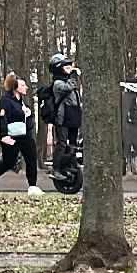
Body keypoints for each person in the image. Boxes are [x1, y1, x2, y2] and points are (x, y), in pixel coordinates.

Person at [0, 73, 42, 194]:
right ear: (15, 87)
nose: (26, 87)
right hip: (11, 136)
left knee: (31, 159)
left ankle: (32, 186)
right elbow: (3, 118)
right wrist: (4, 135)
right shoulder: (5, 101)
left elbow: (28, 119)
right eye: (23, 85)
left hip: (25, 136)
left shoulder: (23, 103)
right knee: (9, 162)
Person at [43, 53, 83, 188]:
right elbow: (68, 88)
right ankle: (56, 169)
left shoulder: (69, 81)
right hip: (62, 119)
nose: (70, 68)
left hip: (73, 117)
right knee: (61, 143)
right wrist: (74, 76)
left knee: (73, 144)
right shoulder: (58, 83)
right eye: (66, 67)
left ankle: (70, 164)